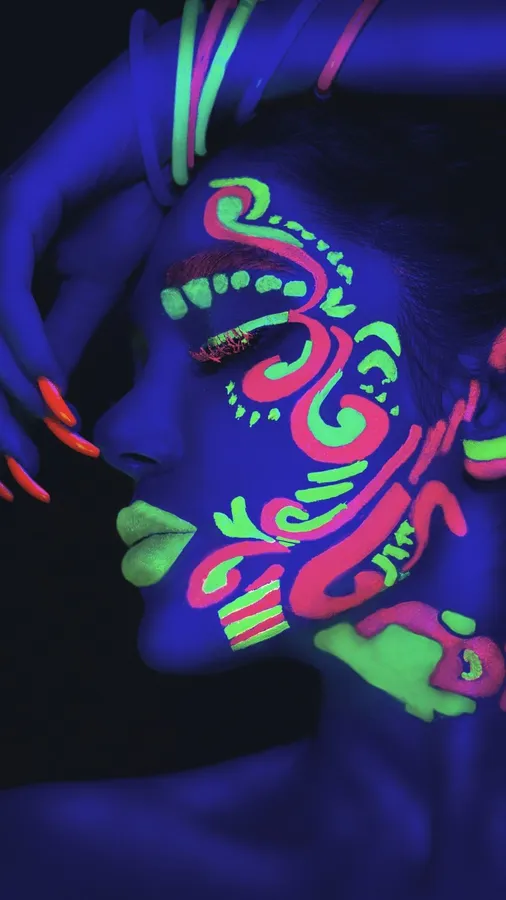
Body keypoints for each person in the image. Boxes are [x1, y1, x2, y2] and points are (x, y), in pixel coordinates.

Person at [2, 6, 506, 900]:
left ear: (487, 399)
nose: (120, 428)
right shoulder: (48, 863)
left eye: (233, 342)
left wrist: (185, 72)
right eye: (133, 363)